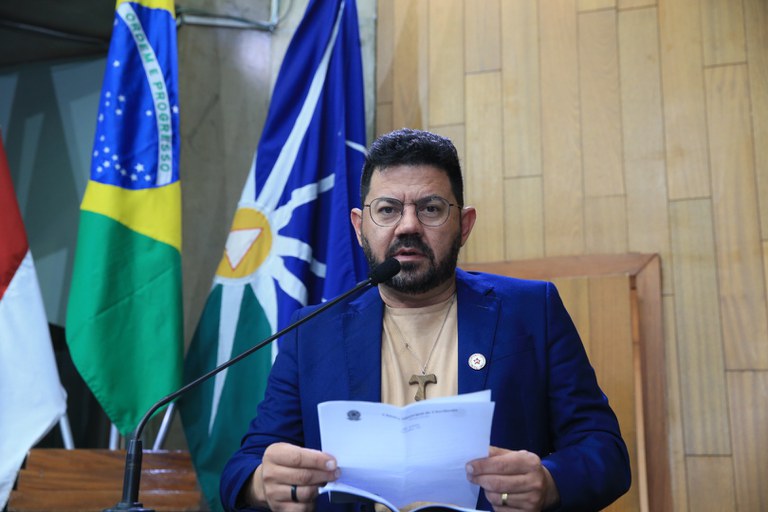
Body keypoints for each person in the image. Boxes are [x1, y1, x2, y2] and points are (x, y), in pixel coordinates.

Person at [220, 128, 631, 512]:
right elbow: (244, 466)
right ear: (360, 227)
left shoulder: (531, 311)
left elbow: (605, 450)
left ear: (464, 225)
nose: (408, 226)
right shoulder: (312, 332)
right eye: (387, 209)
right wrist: (264, 483)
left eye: (430, 208)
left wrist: (549, 481)